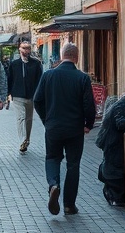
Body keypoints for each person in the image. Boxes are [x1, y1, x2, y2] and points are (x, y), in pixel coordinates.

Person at [33, 42, 95, 216]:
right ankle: (69, 205)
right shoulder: (82, 78)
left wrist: (47, 119)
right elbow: (89, 105)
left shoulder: (48, 75)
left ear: (62, 56)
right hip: (75, 129)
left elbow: (37, 100)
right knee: (73, 165)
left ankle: (53, 184)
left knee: (52, 158)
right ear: (76, 57)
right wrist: (88, 124)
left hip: (53, 127)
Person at [7, 40, 44, 153]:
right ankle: (22, 139)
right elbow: (10, 79)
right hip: (17, 95)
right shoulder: (14, 64)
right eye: (24, 48)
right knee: (21, 117)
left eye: (28, 48)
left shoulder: (36, 64)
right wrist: (8, 94)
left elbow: (40, 80)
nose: (26, 50)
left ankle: (27, 139)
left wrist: (39, 95)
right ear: (19, 49)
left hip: (31, 96)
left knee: (29, 119)